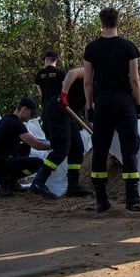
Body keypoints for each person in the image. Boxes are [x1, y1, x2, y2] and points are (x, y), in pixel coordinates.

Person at [84, 6, 140, 213]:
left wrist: (89, 107)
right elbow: (135, 79)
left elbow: (87, 82)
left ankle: (101, 200)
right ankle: (132, 199)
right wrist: (138, 104)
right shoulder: (128, 47)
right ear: (118, 22)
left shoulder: (91, 49)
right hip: (124, 101)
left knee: (100, 148)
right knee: (129, 147)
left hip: (102, 102)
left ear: (101, 23)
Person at [29, 67, 94, 199]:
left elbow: (88, 108)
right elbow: (71, 73)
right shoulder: (91, 71)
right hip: (58, 107)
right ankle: (38, 182)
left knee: (77, 148)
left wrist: (91, 126)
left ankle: (73, 185)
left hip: (69, 113)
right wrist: (63, 95)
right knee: (61, 149)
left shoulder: (99, 87)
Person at [0, 97, 52, 197]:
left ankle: (11, 182)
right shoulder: (15, 124)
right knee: (37, 164)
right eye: (31, 113)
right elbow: (36, 145)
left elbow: (32, 139)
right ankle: (3, 182)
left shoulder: (8, 119)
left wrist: (49, 142)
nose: (31, 117)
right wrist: (55, 146)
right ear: (24, 109)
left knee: (25, 146)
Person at [34, 50, 65, 129]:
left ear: (46, 60)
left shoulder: (40, 74)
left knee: (47, 126)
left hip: (46, 103)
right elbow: (65, 86)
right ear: (56, 61)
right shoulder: (60, 72)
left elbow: (38, 86)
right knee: (58, 126)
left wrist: (43, 96)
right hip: (57, 104)